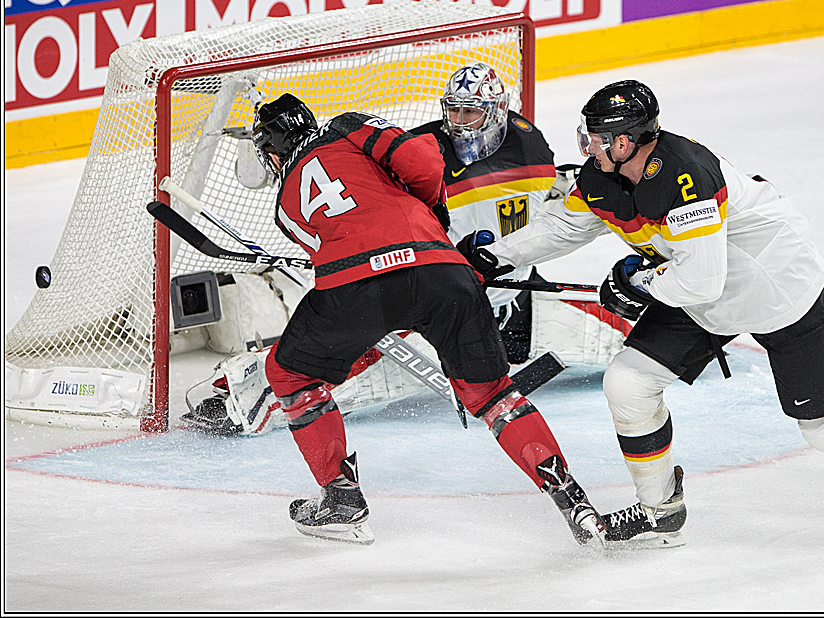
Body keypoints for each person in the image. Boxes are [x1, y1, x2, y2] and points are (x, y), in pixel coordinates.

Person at [457, 80, 824, 548]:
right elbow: (566, 226)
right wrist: (494, 257)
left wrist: (638, 283)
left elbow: (700, 281)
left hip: (777, 287)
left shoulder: (687, 176)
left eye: (598, 138)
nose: (588, 146)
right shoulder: (603, 176)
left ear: (626, 142)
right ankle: (660, 510)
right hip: (699, 288)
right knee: (628, 384)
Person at [247, 92, 604, 545]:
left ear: (273, 152)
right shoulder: (347, 127)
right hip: (441, 271)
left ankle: (340, 500)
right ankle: (574, 502)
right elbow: (424, 162)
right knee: (493, 394)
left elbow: (333, 251)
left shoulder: (284, 206)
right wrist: (434, 221)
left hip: (356, 288)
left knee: (288, 373)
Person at [411, 62, 587, 363]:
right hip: (453, 294)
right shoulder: (422, 149)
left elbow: (541, 197)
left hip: (514, 287)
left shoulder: (528, 143)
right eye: (453, 110)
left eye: (470, 111)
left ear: (496, 110)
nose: (459, 121)